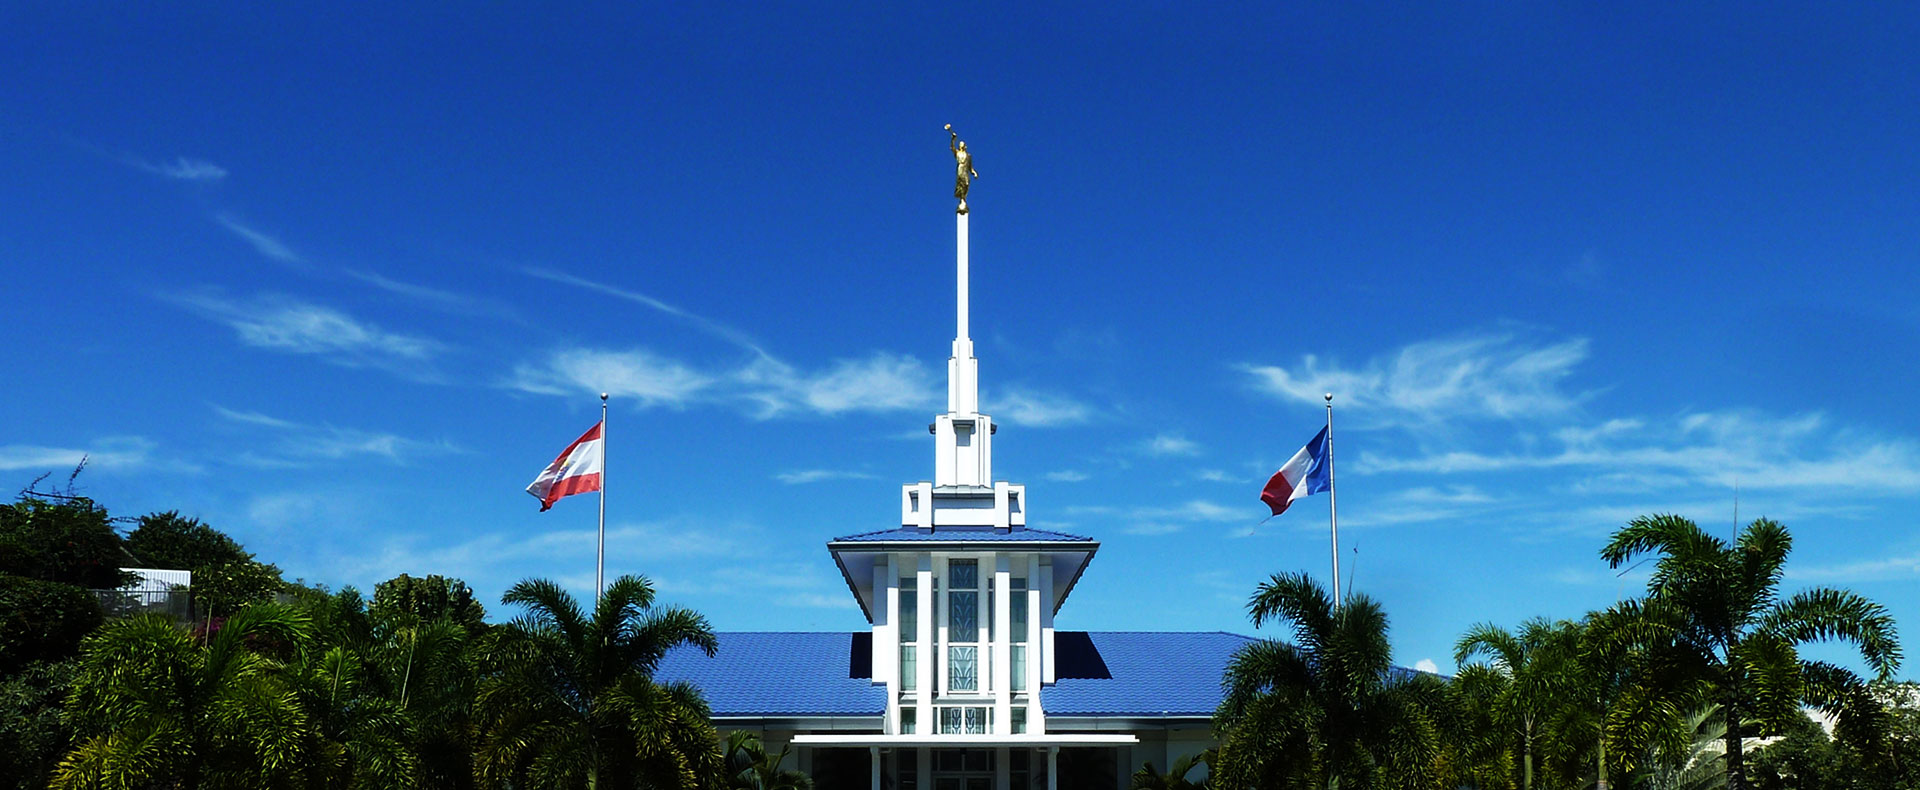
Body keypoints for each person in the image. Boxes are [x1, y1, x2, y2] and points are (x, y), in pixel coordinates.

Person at [948, 125, 978, 213]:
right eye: (960, 145)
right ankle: (962, 199)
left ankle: (963, 197)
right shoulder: (957, 153)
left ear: (965, 146)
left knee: (967, 183)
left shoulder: (968, 156)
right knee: (960, 184)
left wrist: (974, 172)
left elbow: (970, 167)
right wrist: (953, 139)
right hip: (960, 169)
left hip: (965, 170)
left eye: (962, 145)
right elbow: (952, 147)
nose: (961, 146)